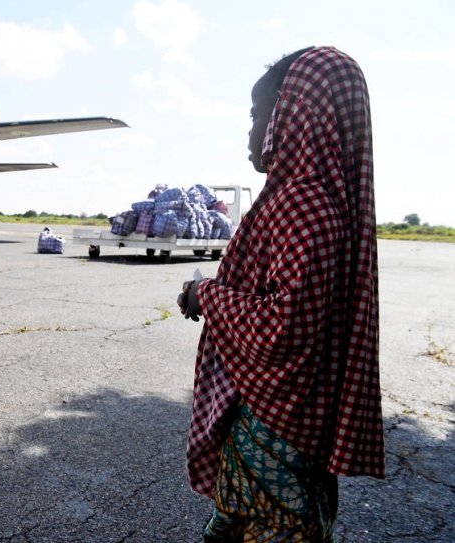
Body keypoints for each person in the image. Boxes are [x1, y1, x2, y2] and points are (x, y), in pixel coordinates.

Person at [177, 47, 384, 541]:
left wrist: (205, 295)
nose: (251, 131)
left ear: (293, 111)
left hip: (276, 429)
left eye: (257, 114)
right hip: (270, 423)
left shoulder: (303, 202)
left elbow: (282, 325)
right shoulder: (300, 196)